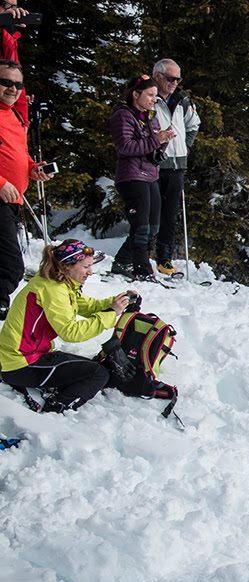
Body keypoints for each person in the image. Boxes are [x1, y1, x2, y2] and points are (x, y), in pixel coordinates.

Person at [0, 240, 134, 413]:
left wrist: (117, 302)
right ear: (67, 266)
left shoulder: (60, 283)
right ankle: (56, 406)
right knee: (98, 374)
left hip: (27, 356)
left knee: (90, 367)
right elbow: (71, 333)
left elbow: (86, 305)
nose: (90, 272)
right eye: (86, 267)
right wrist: (110, 314)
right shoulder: (53, 290)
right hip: (21, 363)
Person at [109, 75, 176, 280]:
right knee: (141, 226)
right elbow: (126, 147)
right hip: (131, 175)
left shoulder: (150, 116)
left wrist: (163, 139)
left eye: (155, 96)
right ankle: (142, 269)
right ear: (135, 94)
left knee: (153, 227)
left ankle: (122, 261)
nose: (153, 99)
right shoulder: (123, 115)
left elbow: (153, 145)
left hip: (150, 174)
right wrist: (156, 139)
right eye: (150, 95)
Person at [0, 58, 52, 320]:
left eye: (17, 85)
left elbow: (18, 154)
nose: (12, 89)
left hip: (13, 202)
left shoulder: (15, 115)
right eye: (5, 82)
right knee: (10, 265)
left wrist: (33, 169)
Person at [151, 58, 200, 276]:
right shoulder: (148, 97)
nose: (174, 83)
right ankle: (140, 254)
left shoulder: (182, 100)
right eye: (171, 79)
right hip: (153, 163)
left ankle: (164, 258)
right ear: (158, 75)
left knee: (170, 215)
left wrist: (186, 147)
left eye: (177, 79)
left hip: (177, 164)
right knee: (149, 212)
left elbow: (194, 125)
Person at [0, 2, 29, 123]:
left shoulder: (8, 36)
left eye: (14, 6)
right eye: (5, 4)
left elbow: (15, 79)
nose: (12, 10)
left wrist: (22, 119)